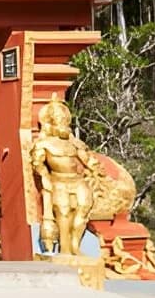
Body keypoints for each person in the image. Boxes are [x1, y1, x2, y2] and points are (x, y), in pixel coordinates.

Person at [30, 95, 102, 256]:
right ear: (50, 120)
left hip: (77, 181)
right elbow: (37, 164)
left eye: (64, 118)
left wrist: (94, 169)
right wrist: (44, 176)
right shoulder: (44, 143)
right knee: (63, 211)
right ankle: (65, 248)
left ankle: (75, 244)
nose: (61, 121)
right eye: (57, 118)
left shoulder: (74, 143)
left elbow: (87, 160)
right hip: (58, 180)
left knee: (83, 209)